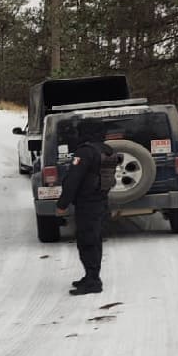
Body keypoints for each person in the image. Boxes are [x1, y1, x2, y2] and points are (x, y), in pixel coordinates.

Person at [55, 119, 119, 295]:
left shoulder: (85, 152)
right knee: (95, 240)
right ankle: (91, 275)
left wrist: (62, 204)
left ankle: (93, 281)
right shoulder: (107, 150)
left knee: (87, 242)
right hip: (101, 201)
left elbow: (73, 181)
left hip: (87, 204)